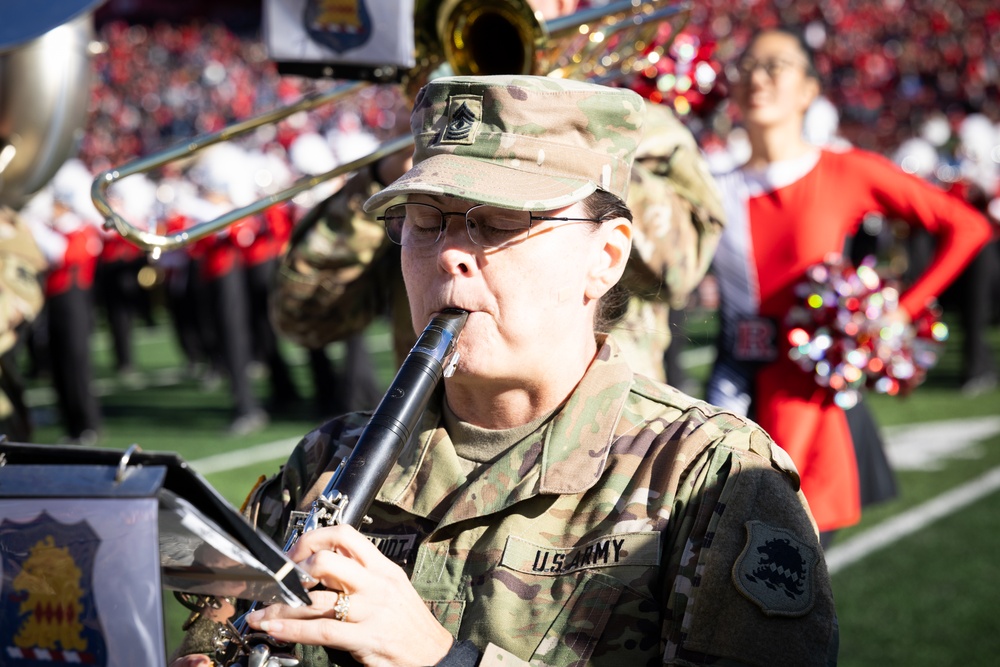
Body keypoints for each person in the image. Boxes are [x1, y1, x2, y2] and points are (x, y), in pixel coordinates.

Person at [172, 74, 837, 667]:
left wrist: (440, 657)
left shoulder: (710, 477)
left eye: (498, 223)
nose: (452, 254)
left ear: (605, 257)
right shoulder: (324, 460)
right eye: (426, 222)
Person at [270, 0, 726, 386]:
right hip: (432, 438)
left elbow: (680, 269)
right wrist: (386, 175)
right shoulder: (429, 141)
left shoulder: (641, 128)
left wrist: (572, 148)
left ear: (566, 7)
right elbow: (303, 315)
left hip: (607, 441)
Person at [705, 27, 993, 545]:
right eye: (747, 66)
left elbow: (967, 227)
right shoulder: (708, 183)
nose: (758, 78)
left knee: (788, 591)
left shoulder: (845, 170)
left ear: (809, 90)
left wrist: (900, 312)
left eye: (776, 66)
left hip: (807, 413)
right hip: (725, 395)